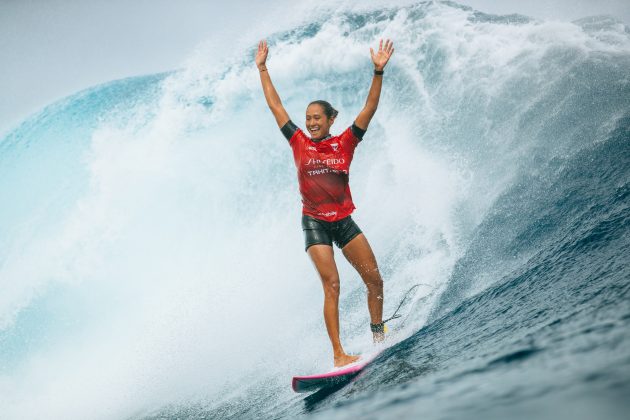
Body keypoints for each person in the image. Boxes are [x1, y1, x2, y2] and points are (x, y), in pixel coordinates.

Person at [255, 38, 394, 367]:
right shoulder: (298, 142)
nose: (311, 122)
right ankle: (339, 354)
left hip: (343, 220)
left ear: (331, 119)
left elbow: (369, 109)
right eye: (308, 118)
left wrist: (377, 71)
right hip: (314, 221)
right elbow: (276, 106)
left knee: (374, 280)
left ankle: (379, 336)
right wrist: (262, 68)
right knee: (332, 284)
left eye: (318, 117)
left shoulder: (346, 142)